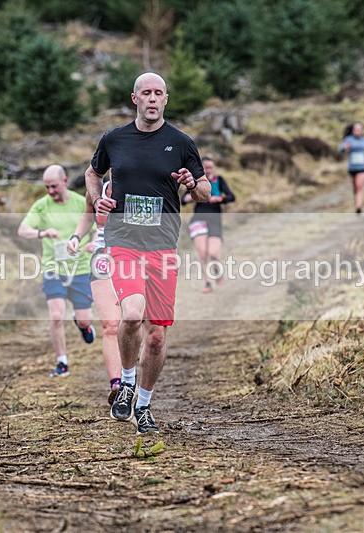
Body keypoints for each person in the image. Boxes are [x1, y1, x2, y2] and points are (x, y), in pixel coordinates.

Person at [84, 72, 210, 435]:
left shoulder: (182, 143)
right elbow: (92, 173)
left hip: (163, 246)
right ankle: (125, 382)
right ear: (134, 98)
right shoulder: (114, 139)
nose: (152, 99)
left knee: (156, 335)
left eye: (158, 93)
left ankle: (142, 405)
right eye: (146, 93)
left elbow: (203, 191)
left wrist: (192, 183)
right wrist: (97, 199)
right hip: (123, 240)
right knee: (133, 313)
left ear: (166, 100)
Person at [18, 164, 96, 378]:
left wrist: (92, 243)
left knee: (85, 320)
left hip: (80, 268)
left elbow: (96, 230)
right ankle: (62, 362)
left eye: (53, 186)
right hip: (53, 268)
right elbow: (23, 230)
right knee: (55, 316)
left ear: (65, 182)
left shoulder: (81, 202)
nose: (50, 191)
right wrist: (42, 233)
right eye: (46, 187)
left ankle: (83, 326)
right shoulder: (41, 206)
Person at [67, 178, 122, 404]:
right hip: (102, 258)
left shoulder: (143, 181)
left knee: (135, 323)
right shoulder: (98, 187)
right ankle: (118, 385)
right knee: (111, 325)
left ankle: (131, 374)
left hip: (136, 257)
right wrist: (76, 237)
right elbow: (88, 215)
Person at [181, 155, 235, 293]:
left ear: (214, 168)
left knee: (214, 253)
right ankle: (208, 282)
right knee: (203, 253)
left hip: (215, 220)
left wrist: (219, 198)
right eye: (205, 167)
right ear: (201, 168)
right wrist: (188, 198)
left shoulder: (219, 180)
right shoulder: (196, 181)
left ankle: (217, 269)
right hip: (198, 219)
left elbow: (231, 197)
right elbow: (184, 199)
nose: (208, 170)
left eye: (210, 167)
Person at [338, 121, 364, 214]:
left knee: (359, 187)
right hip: (352, 168)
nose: (357, 131)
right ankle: (357, 203)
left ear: (362, 131)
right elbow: (339, 149)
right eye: (355, 129)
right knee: (355, 188)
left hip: (362, 167)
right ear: (353, 130)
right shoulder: (349, 139)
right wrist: (344, 147)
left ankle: (359, 207)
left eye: (359, 129)